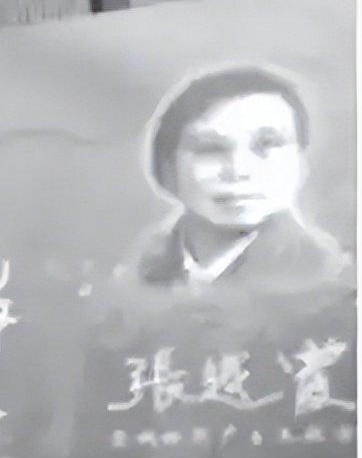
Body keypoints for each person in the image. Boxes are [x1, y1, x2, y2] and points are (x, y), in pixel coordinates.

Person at [121, 65, 350, 293]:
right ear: (168, 167)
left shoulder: (332, 278)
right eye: (210, 149)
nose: (238, 170)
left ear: (301, 162)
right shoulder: (136, 273)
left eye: (267, 145)